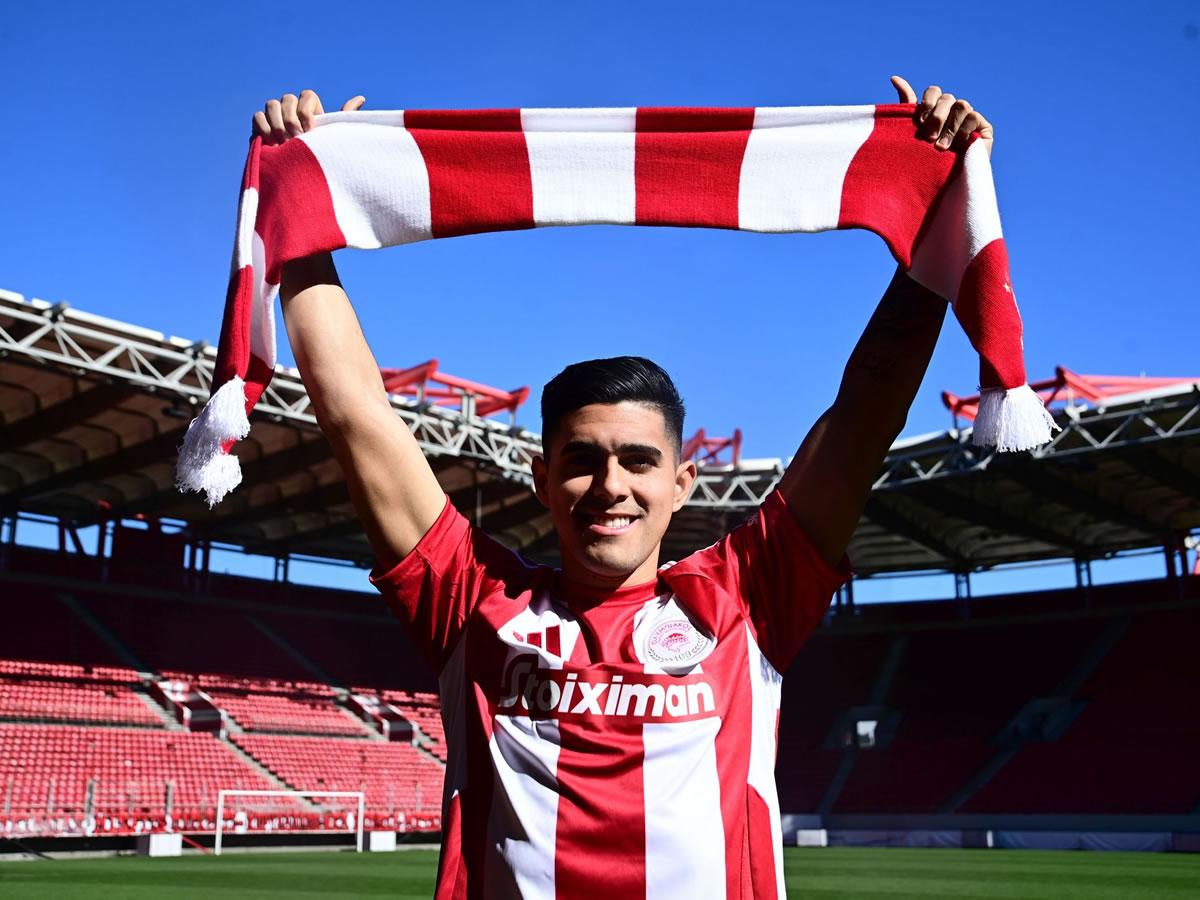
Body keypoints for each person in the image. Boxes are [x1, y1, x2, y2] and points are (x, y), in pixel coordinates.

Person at [254, 76, 992, 899]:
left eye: (639, 461)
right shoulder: (474, 603)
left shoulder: (747, 597)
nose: (610, 485)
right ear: (541, 480)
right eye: (581, 459)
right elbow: (358, 416)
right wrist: (308, 214)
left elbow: (861, 423)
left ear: (682, 482)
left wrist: (936, 213)